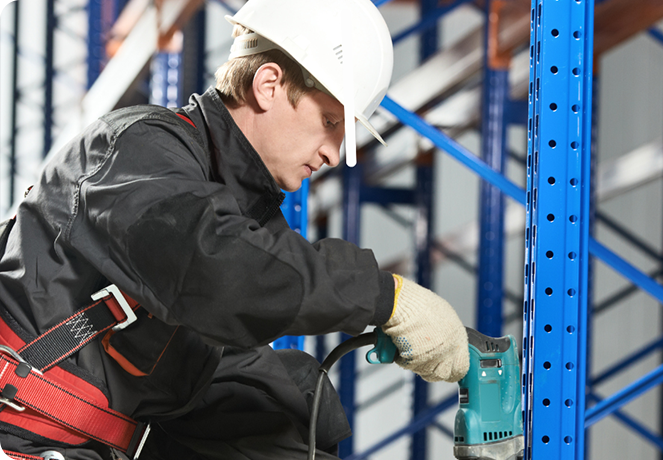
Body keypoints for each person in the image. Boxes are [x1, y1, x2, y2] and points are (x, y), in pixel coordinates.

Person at [0, 0, 469, 459]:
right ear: (268, 85)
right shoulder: (140, 149)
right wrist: (383, 297)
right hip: (23, 437)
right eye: (329, 122)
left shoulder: (238, 207)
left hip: (91, 443)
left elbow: (217, 357)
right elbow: (217, 268)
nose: (332, 152)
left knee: (296, 400)